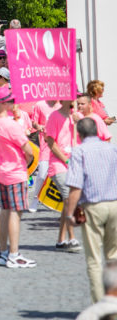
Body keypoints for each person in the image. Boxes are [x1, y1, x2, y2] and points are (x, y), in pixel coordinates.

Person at [66, 117, 117, 303]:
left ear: (79, 134)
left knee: (94, 260)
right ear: (97, 130)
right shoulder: (112, 148)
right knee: (114, 258)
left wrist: (69, 214)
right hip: (115, 204)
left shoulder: (79, 151)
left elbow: (75, 187)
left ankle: (101, 306)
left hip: (92, 207)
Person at [0, 86, 37, 269]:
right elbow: (29, 151)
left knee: (5, 211)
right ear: (4, 103)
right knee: (16, 212)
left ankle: (3, 252)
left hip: (0, 168)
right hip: (15, 170)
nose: (14, 103)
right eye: (11, 100)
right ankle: (14, 254)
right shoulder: (11, 125)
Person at [45, 100, 83, 252]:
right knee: (69, 199)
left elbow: (88, 135)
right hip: (58, 164)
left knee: (68, 203)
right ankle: (72, 238)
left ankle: (60, 240)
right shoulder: (54, 116)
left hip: (74, 163)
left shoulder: (77, 116)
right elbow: (51, 143)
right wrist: (66, 159)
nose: (74, 99)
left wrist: (79, 122)